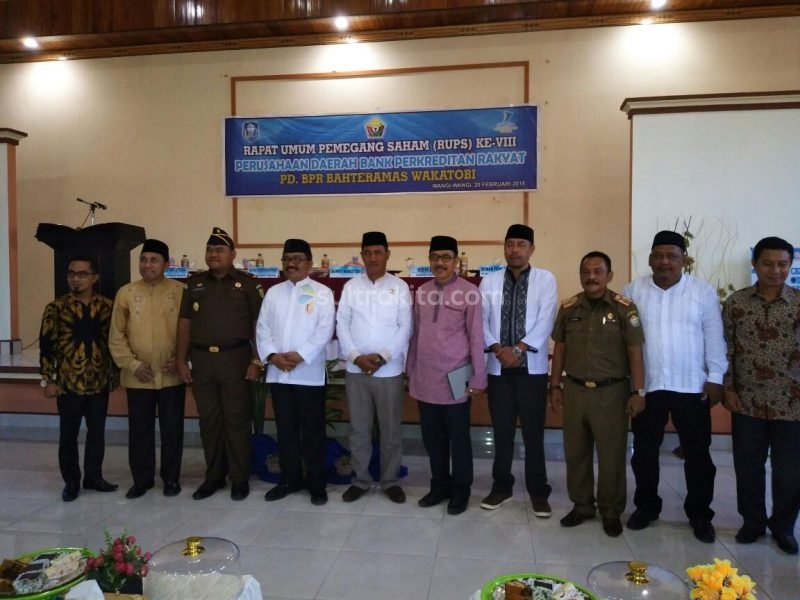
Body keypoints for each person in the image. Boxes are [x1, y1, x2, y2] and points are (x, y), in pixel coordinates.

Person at [622, 230, 728, 543]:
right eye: (658, 255)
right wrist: (632, 386)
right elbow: (625, 342)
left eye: (672, 256)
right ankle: (646, 507)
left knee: (698, 455)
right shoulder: (633, 291)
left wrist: (716, 377)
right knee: (644, 453)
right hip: (649, 386)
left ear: (684, 260)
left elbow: (714, 337)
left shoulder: (702, 291)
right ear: (650, 259)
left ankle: (700, 514)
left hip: (691, 386)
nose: (664, 262)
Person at [549, 251, 645, 537]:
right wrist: (554, 386)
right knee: (575, 452)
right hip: (575, 390)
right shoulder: (569, 308)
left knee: (611, 455)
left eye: (598, 271)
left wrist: (638, 391)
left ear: (609, 275)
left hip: (611, 393)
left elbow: (635, 352)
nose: (591, 277)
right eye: (586, 272)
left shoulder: (624, 308)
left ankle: (611, 510)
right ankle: (582, 505)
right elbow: (560, 349)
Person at [722, 236, 800, 555]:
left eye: (782, 264)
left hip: (792, 404)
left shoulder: (798, 303)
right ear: (755, 264)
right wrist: (728, 387)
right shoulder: (736, 303)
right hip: (747, 401)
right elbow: (725, 348)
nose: (775, 270)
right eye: (768, 263)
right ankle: (752, 523)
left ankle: (783, 527)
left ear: (790, 265)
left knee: (789, 471)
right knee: (748, 467)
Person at [176, 227, 263, 501]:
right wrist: (181, 360)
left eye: (220, 250)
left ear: (232, 254)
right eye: (210, 250)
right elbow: (184, 324)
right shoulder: (194, 284)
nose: (213, 254)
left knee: (237, 420)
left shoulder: (248, 285)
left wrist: (256, 359)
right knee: (209, 421)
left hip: (236, 360)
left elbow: (258, 325)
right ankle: (214, 476)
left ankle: (239, 477)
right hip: (202, 361)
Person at [478, 224, 558, 517]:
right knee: (502, 432)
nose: (514, 250)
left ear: (531, 249)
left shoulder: (545, 279)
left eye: (521, 245)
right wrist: (497, 348)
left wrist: (519, 350)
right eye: (510, 244)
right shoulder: (488, 281)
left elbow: (546, 320)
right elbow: (481, 321)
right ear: (504, 247)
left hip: (531, 372)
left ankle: (538, 491)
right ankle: (502, 487)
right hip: (499, 369)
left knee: (533, 434)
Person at [407, 235, 487, 515]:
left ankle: (461, 491)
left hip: (456, 376)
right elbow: (416, 334)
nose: (439, 263)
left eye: (445, 257)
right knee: (432, 438)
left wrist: (478, 377)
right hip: (426, 376)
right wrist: (411, 369)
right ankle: (439, 486)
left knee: (458, 439)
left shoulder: (469, 292)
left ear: (455, 261)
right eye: (434, 257)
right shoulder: (422, 291)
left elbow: (476, 337)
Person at [257, 239, 335, 506]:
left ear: (309, 263)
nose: (291, 263)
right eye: (287, 259)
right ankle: (289, 479)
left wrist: (301, 355)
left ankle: (316, 483)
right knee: (286, 429)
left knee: (313, 431)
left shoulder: (321, 292)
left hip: (309, 374)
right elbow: (262, 328)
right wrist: (272, 356)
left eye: (298, 258)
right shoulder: (273, 293)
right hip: (279, 373)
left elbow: (325, 329)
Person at [336, 231, 412, 504]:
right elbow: (342, 322)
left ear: (387, 255)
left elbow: (406, 326)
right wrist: (356, 356)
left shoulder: (399, 287)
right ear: (362, 256)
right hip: (356, 370)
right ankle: (361, 480)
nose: (373, 257)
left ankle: (390, 481)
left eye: (378, 252)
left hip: (388, 371)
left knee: (391, 430)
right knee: (359, 429)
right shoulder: (351, 286)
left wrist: (382, 357)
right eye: (367, 252)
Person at [109, 239, 185, 499]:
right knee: (139, 430)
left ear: (166, 264)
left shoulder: (180, 292)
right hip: (138, 376)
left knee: (172, 429)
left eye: (154, 260)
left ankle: (171, 479)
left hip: (171, 374)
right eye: (143, 259)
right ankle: (141, 480)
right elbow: (116, 335)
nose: (147, 265)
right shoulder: (126, 293)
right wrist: (132, 364)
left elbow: (192, 330)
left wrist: (180, 359)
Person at [39, 255, 118, 502]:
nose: (76, 279)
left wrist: (115, 375)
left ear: (95, 277)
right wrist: (48, 380)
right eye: (72, 274)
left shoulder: (108, 307)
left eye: (82, 274)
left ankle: (93, 477)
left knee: (97, 433)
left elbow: (114, 344)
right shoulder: (56, 308)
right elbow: (46, 347)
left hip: (98, 381)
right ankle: (71, 482)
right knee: (68, 435)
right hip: (68, 383)